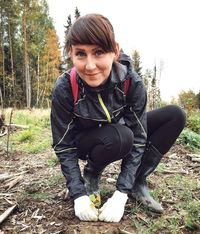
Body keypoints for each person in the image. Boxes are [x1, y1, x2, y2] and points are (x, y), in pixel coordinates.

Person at [51, 13, 186, 223]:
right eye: (81, 54)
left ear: (114, 50)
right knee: (122, 136)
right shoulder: (66, 88)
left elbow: (139, 138)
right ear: (71, 54)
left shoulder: (131, 82)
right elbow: (64, 145)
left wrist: (120, 193)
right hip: (86, 142)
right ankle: (91, 175)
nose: (90, 65)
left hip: (120, 130)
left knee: (174, 116)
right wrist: (78, 194)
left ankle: (136, 183)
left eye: (98, 52)